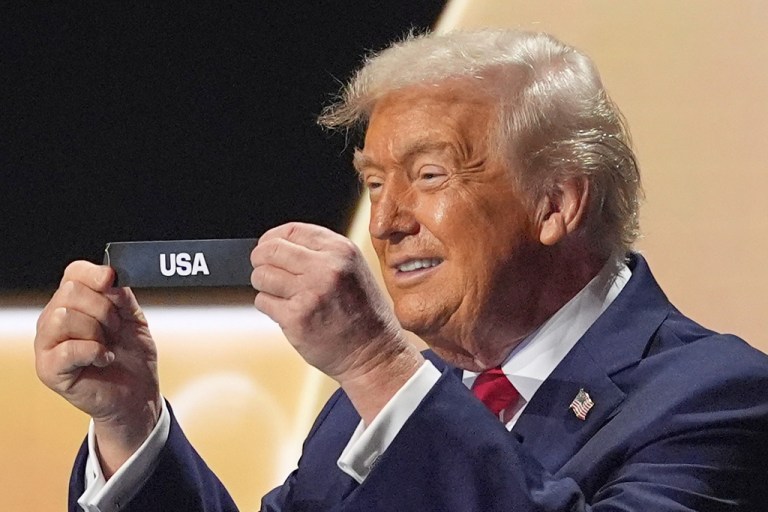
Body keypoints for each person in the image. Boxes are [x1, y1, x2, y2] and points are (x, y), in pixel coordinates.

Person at [35, 29, 768, 512]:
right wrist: (128, 424)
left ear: (556, 203)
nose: (385, 223)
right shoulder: (385, 403)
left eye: (429, 173)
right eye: (375, 182)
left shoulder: (717, 400)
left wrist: (377, 362)